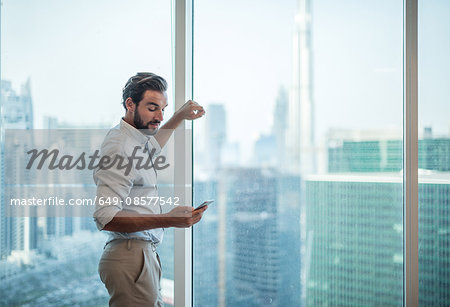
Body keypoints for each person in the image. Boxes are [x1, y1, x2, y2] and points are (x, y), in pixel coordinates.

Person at [93, 72, 207, 306]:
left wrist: (178, 117)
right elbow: (106, 218)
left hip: (137, 255)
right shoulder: (120, 147)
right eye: (153, 108)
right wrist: (168, 219)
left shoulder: (133, 139)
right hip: (131, 258)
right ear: (130, 104)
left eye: (163, 109)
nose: (159, 116)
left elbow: (151, 149)